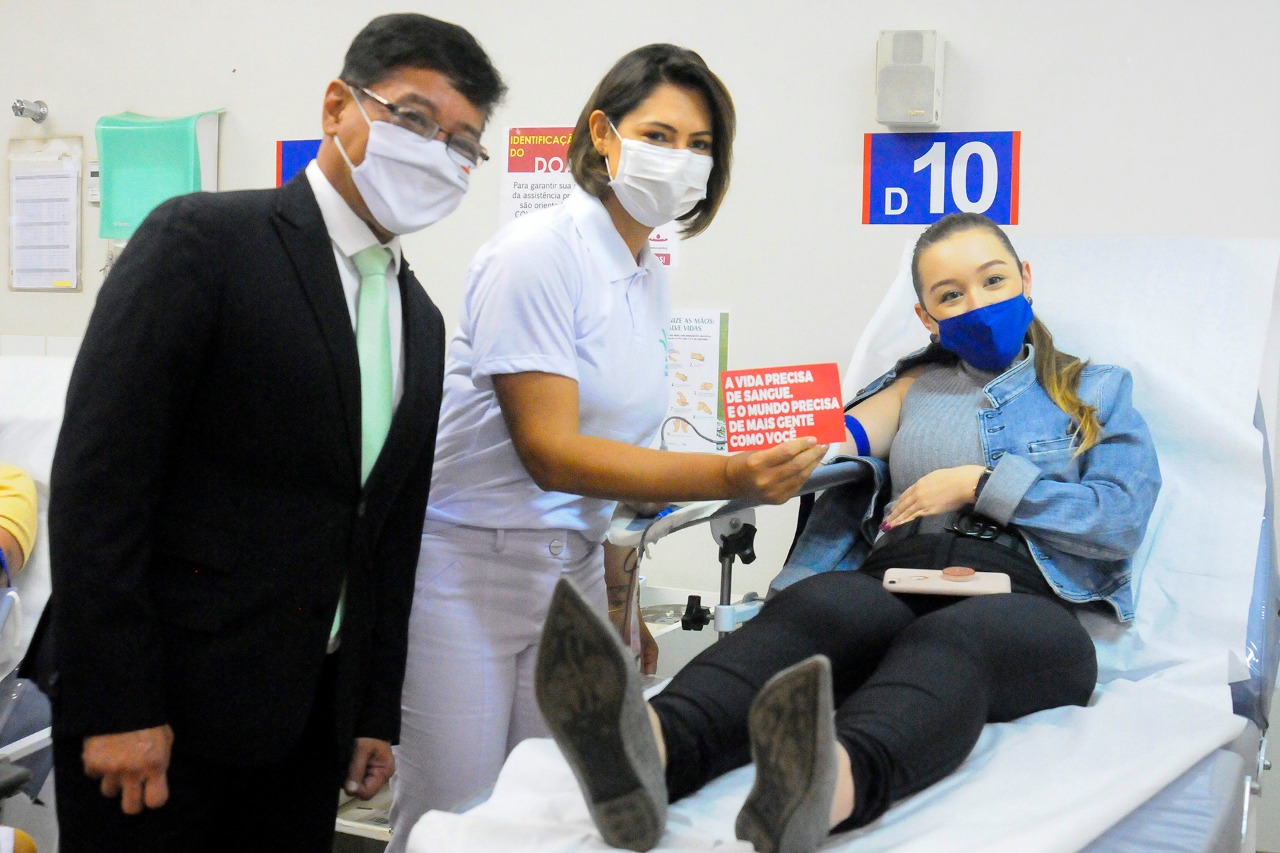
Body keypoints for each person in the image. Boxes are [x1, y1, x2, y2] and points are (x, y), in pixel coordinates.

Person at [534, 212, 1163, 852]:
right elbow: (830, 444)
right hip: (896, 574)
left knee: (955, 640)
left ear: (1025, 279)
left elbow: (1119, 518)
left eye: (993, 281)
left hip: (1023, 602)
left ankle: (826, 789)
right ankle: (650, 749)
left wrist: (980, 484)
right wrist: (710, 471)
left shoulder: (1094, 389)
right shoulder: (913, 387)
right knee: (819, 607)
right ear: (926, 317)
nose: (977, 305)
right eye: (951, 295)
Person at [42, 14, 505, 852]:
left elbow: (385, 530)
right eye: (414, 119)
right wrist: (119, 704)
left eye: (464, 143)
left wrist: (371, 708)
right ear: (338, 106)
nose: (439, 152)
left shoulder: (420, 319)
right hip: (162, 721)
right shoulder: (205, 244)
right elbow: (97, 488)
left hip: (305, 730)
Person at [388, 43, 827, 846]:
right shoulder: (538, 254)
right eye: (661, 135)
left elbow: (615, 459)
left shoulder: (646, 268)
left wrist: (620, 596)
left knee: (560, 814)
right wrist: (731, 474)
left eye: (702, 147)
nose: (683, 161)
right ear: (602, 132)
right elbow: (552, 452)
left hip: (574, 570)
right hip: (466, 571)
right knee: (453, 823)